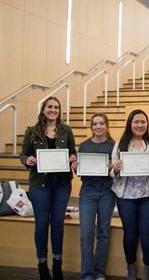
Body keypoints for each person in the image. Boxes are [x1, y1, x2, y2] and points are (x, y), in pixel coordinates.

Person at [20, 96, 77, 280]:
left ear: (59, 111)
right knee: (42, 224)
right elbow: (24, 154)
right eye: (50, 107)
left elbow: (72, 152)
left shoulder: (66, 130)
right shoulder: (32, 131)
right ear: (43, 109)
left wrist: (73, 158)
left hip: (61, 183)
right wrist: (26, 161)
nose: (53, 110)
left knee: (58, 224)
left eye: (56, 107)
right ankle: (42, 264)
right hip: (39, 184)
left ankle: (57, 264)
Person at [110, 109, 149, 280]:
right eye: (136, 122)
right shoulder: (120, 144)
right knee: (130, 234)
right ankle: (131, 270)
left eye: (143, 122)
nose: (140, 125)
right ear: (130, 124)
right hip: (126, 195)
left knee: (147, 233)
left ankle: (148, 271)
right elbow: (111, 173)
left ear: (147, 124)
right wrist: (115, 169)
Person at [71, 113, 116, 280]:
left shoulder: (113, 146)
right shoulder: (84, 146)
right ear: (91, 127)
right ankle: (87, 274)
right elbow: (79, 171)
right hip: (88, 191)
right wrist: (76, 167)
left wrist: (113, 166)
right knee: (86, 234)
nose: (98, 126)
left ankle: (99, 272)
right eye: (95, 124)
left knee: (103, 233)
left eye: (101, 123)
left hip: (107, 190)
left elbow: (117, 172)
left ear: (107, 126)